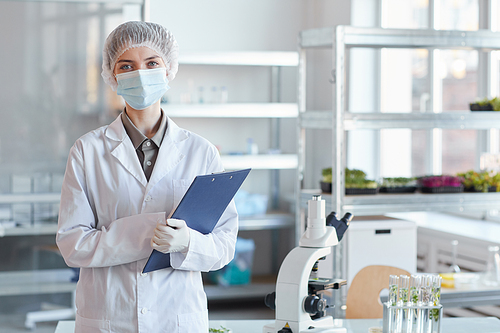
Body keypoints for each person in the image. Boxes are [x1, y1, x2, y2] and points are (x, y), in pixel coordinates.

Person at [56, 21, 238, 333]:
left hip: (177, 316)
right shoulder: (87, 151)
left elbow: (224, 245)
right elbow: (72, 245)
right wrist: (146, 233)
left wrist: (187, 243)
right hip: (109, 316)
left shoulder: (201, 152)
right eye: (126, 65)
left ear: (169, 70)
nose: (140, 74)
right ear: (113, 77)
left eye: (152, 63)